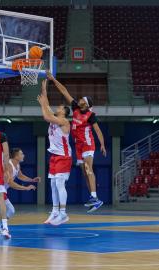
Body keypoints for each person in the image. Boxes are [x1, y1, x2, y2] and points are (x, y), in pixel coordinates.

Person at [46, 71, 106, 213]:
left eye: (82, 100)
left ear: (86, 103)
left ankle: (95, 197)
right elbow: (64, 91)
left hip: (88, 144)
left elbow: (97, 131)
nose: (78, 100)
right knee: (84, 172)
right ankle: (93, 197)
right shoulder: (75, 108)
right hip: (78, 146)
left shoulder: (91, 116)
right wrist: (53, 79)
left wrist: (102, 144)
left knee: (88, 168)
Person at [37, 79, 72, 225]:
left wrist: (42, 104)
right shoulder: (55, 119)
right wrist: (44, 89)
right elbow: (47, 107)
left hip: (64, 156)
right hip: (54, 156)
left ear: (64, 112)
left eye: (61, 107)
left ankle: (63, 213)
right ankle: (55, 211)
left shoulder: (64, 122)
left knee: (59, 184)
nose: (58, 107)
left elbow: (46, 114)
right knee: (52, 184)